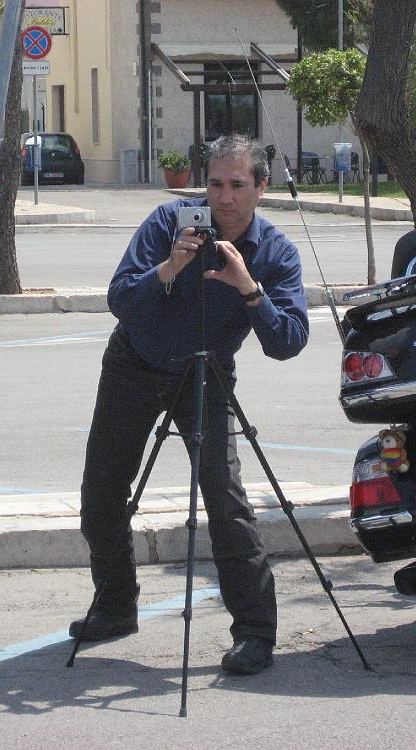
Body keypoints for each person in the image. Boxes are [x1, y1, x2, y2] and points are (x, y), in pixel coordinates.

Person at [70, 134, 309, 675]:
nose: (224, 198)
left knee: (224, 499)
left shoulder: (274, 252)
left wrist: (250, 289)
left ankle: (253, 633)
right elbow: (119, 300)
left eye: (238, 186)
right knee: (102, 486)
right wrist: (168, 270)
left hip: (206, 373)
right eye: (216, 184)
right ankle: (114, 605)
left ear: (261, 188)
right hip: (136, 361)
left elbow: (288, 342)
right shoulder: (168, 223)